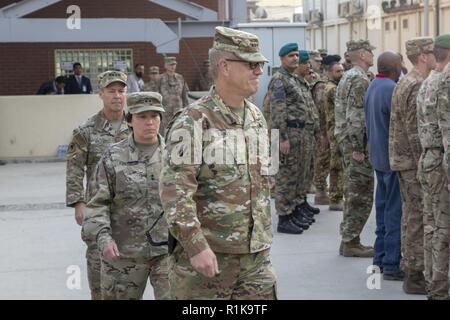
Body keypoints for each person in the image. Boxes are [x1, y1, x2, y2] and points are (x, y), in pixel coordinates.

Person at [160, 26, 277, 300]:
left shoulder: (256, 116)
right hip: (209, 262)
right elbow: (175, 192)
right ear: (225, 66)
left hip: (255, 260)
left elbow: (261, 181)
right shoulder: (193, 121)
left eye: (259, 63)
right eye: (251, 63)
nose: (259, 70)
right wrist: (195, 245)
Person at [82, 92, 170, 300]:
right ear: (130, 120)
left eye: (154, 116)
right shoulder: (113, 157)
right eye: (142, 117)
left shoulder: (176, 156)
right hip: (123, 255)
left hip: (168, 253)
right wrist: (104, 239)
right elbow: (97, 205)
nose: (149, 122)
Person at [66, 71, 130, 299]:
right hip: (97, 211)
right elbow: (74, 168)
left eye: (121, 91)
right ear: (100, 94)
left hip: (132, 212)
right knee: (99, 275)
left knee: (129, 278)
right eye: (111, 91)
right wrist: (78, 202)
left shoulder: (137, 125)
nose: (117, 96)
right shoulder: (86, 131)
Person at [389, 37, 435, 294]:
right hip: (412, 162)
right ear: (422, 56)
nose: (433, 55)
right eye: (430, 52)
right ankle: (415, 275)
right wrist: (423, 164)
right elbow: (415, 130)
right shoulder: (416, 84)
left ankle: (411, 268)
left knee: (411, 217)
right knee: (418, 217)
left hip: (403, 160)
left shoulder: (406, 82)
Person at [268, 44, 316, 235]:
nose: (295, 58)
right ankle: (284, 217)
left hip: (300, 133)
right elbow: (278, 110)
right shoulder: (279, 80)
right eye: (291, 56)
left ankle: (294, 210)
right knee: (286, 176)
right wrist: (282, 137)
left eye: (296, 55)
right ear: (282, 59)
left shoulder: (293, 79)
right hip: (289, 134)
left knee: (297, 174)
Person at [364, 51, 403, 280]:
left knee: (382, 211)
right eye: (400, 64)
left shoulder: (373, 86)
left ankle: (378, 260)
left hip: (378, 157)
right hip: (391, 160)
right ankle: (391, 264)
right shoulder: (391, 88)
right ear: (394, 67)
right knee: (393, 213)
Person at [335, 40, 375, 257]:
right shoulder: (359, 79)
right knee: (360, 194)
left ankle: (349, 239)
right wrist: (358, 147)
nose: (372, 55)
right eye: (370, 52)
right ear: (361, 54)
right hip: (355, 145)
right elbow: (356, 116)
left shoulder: (349, 76)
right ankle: (351, 241)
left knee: (353, 192)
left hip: (347, 141)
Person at [419, 34, 450, 300]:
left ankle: (432, 281)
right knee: (443, 227)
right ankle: (439, 289)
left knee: (431, 224)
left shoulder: (429, 81)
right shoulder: (445, 81)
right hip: (441, 162)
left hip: (429, 159)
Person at [322, 55, 344, 211]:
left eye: (342, 70)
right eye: (338, 71)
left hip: (333, 128)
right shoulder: (332, 89)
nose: (341, 74)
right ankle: (335, 198)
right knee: (336, 165)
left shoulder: (331, 86)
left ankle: (336, 196)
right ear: (330, 72)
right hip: (335, 129)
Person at [158, 56, 189, 135]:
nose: (172, 66)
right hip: (165, 112)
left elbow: (184, 95)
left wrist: (187, 109)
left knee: (178, 132)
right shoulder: (160, 79)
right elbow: (157, 94)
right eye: (170, 64)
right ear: (165, 66)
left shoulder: (180, 78)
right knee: (164, 134)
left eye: (174, 64)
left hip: (178, 111)